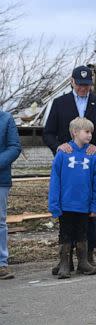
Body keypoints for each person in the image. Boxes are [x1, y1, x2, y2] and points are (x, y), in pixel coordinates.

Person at [43, 65, 96, 273]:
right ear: (72, 82)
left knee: (88, 214)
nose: (84, 89)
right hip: (68, 167)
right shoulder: (59, 103)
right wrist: (59, 146)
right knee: (67, 215)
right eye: (81, 85)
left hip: (90, 165)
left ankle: (88, 255)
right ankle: (66, 259)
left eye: (87, 85)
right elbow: (47, 133)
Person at [48, 117, 96, 279]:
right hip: (65, 205)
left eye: (91, 132)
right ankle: (64, 264)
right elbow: (55, 182)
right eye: (87, 132)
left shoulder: (93, 156)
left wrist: (95, 206)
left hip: (84, 205)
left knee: (82, 234)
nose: (90, 135)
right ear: (74, 132)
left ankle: (83, 262)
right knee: (65, 234)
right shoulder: (62, 154)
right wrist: (54, 205)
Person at [0, 110, 22, 280]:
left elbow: (14, 147)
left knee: (0, 222)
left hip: (1, 179)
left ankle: (1, 263)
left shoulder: (6, 118)